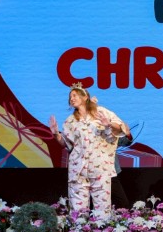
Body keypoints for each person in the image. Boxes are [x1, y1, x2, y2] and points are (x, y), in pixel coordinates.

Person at [49, 82, 128, 211]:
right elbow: (67, 144)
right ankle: (79, 224)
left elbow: (122, 128)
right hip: (78, 170)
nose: (72, 98)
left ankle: (101, 224)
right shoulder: (70, 120)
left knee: (102, 209)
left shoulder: (101, 112)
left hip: (100, 168)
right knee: (77, 210)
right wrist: (56, 134)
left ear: (85, 97)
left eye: (75, 95)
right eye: (70, 97)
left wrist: (108, 124)